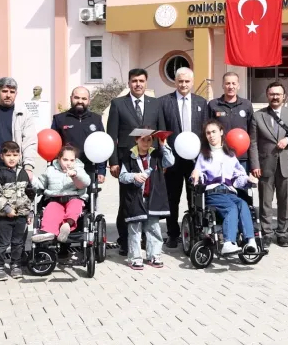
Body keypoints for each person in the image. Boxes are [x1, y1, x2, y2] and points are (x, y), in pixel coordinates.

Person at [107, 69, 165, 256]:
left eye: (141, 80)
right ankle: (125, 241)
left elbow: (161, 134)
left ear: (146, 82)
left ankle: (147, 240)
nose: (138, 84)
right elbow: (112, 135)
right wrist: (114, 162)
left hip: (151, 161)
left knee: (148, 199)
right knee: (128, 201)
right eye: (134, 81)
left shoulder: (156, 104)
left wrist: (162, 162)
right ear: (129, 83)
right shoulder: (118, 104)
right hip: (127, 161)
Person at [191, 120, 259, 254]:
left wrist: (247, 179)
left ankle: (250, 241)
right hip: (213, 193)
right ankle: (228, 242)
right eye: (208, 133)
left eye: (214, 132)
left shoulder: (230, 155)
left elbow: (238, 177)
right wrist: (196, 174)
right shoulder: (203, 156)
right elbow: (197, 173)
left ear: (221, 132)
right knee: (231, 208)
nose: (211, 135)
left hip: (229, 193)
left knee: (243, 204)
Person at [249, 82, 288, 247]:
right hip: (265, 164)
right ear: (267, 95)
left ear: (284, 96)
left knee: (285, 201)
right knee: (265, 201)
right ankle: (267, 233)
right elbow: (253, 142)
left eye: (278, 94)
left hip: (287, 164)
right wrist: (255, 164)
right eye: (272, 94)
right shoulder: (258, 116)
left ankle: (282, 233)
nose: (275, 97)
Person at [160, 67, 208, 248]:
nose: (184, 84)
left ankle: (194, 232)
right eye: (180, 81)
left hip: (194, 161)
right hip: (172, 161)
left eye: (187, 81)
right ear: (175, 82)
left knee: (194, 198)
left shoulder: (202, 103)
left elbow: (205, 132)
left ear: (192, 82)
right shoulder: (164, 102)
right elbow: (161, 132)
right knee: (172, 198)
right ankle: (172, 234)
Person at [118, 132, 174, 269]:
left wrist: (163, 145)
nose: (146, 143)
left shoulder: (156, 155)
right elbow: (122, 176)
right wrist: (134, 176)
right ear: (137, 140)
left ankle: (154, 256)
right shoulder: (129, 156)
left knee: (153, 228)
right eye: (143, 140)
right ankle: (135, 258)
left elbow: (170, 162)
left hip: (153, 197)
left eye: (149, 140)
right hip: (135, 198)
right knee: (135, 228)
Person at [0, 141, 34, 281]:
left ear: (20, 156)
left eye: (15, 155)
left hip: (21, 216)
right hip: (4, 217)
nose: (12, 158)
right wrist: (6, 208)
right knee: (2, 243)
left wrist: (30, 212)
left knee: (18, 242)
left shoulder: (24, 173)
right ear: (2, 156)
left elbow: (29, 195)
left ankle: (15, 265)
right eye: (8, 155)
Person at [30, 145, 91, 243]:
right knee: (51, 210)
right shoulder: (50, 170)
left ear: (75, 160)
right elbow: (41, 184)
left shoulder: (78, 169)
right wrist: (32, 179)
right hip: (56, 198)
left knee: (74, 207)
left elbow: (86, 182)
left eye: (72, 160)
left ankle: (67, 225)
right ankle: (48, 232)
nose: (68, 163)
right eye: (65, 160)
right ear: (59, 159)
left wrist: (75, 175)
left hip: (74, 197)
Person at [51, 86, 106, 182]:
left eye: (84, 98)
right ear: (71, 98)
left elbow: (102, 146)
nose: (80, 101)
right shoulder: (59, 119)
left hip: (90, 169)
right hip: (65, 169)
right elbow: (52, 146)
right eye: (76, 98)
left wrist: (101, 170)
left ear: (89, 101)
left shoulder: (96, 119)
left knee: (88, 197)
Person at [0, 77, 37, 174]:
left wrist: (28, 167)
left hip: (16, 170)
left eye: (12, 92)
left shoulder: (24, 115)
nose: (8, 95)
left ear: (16, 93)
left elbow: (30, 142)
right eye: (4, 91)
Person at [208, 72, 254, 171]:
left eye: (234, 83)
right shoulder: (213, 105)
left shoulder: (247, 105)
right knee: (221, 186)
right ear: (222, 85)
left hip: (242, 158)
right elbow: (208, 130)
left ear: (238, 86)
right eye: (227, 83)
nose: (231, 86)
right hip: (220, 155)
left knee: (241, 186)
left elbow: (252, 132)